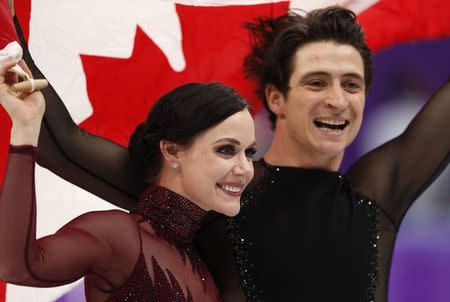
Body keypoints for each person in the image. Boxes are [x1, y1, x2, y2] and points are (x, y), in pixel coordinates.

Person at [10, 5, 450, 302]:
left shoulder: (376, 194)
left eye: (351, 84)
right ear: (275, 98)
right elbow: (64, 147)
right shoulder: (223, 187)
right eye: (317, 82)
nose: (338, 99)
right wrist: (10, 36)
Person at [0, 56, 257, 301]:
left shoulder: (204, 270)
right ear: (172, 151)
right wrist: (26, 127)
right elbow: (16, 267)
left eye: (249, 153)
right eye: (227, 149)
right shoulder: (120, 235)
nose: (245, 168)